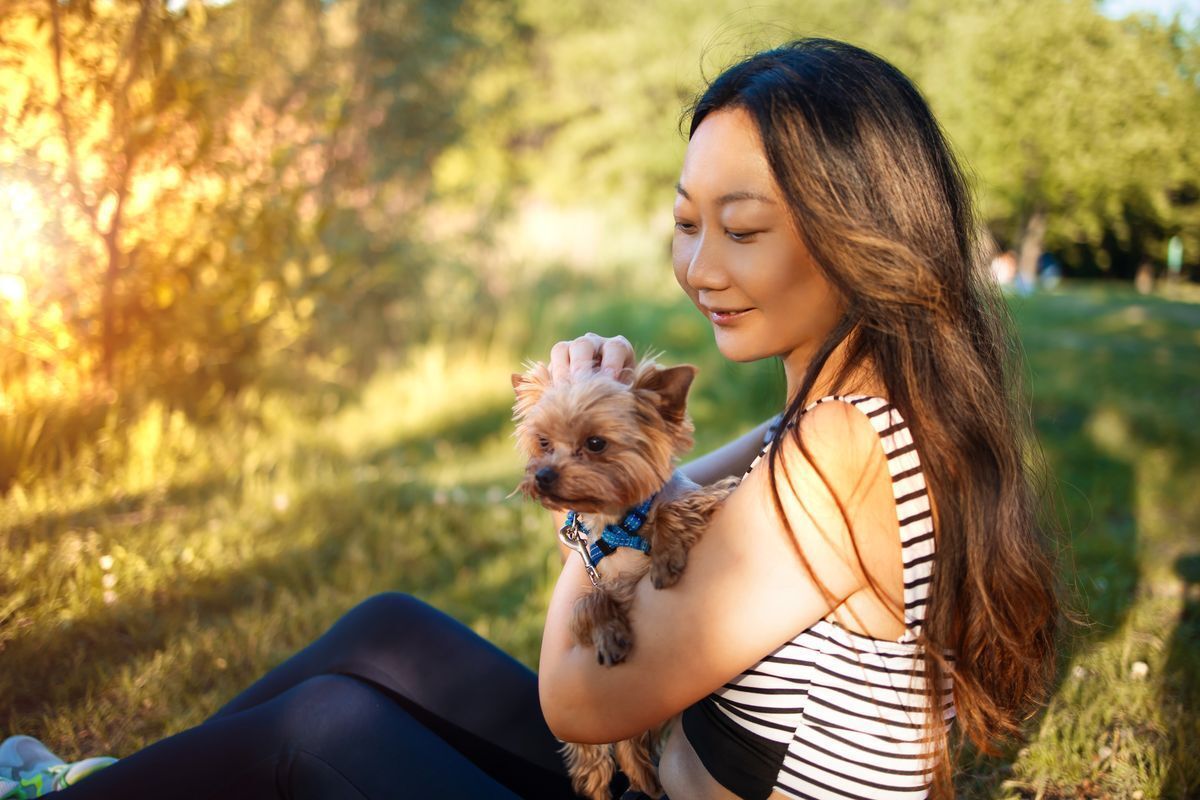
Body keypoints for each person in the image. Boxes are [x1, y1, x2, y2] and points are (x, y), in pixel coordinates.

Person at [5, 37, 1058, 800]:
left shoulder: (844, 449)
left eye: (741, 228)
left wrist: (593, 509)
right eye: (686, 222)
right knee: (387, 631)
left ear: (856, 236)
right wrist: (592, 433)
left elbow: (584, 702)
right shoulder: (848, 404)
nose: (700, 266)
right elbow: (675, 498)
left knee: (323, 727)